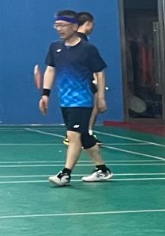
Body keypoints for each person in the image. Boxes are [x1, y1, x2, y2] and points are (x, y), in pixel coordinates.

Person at [40, 10, 112, 186]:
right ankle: (102, 170)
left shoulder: (88, 49)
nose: (59, 29)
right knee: (84, 137)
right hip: (65, 99)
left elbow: (100, 73)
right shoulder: (55, 48)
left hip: (83, 99)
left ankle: (65, 174)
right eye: (57, 25)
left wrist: (101, 97)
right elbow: (50, 69)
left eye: (63, 25)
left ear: (74, 26)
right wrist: (45, 94)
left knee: (73, 135)